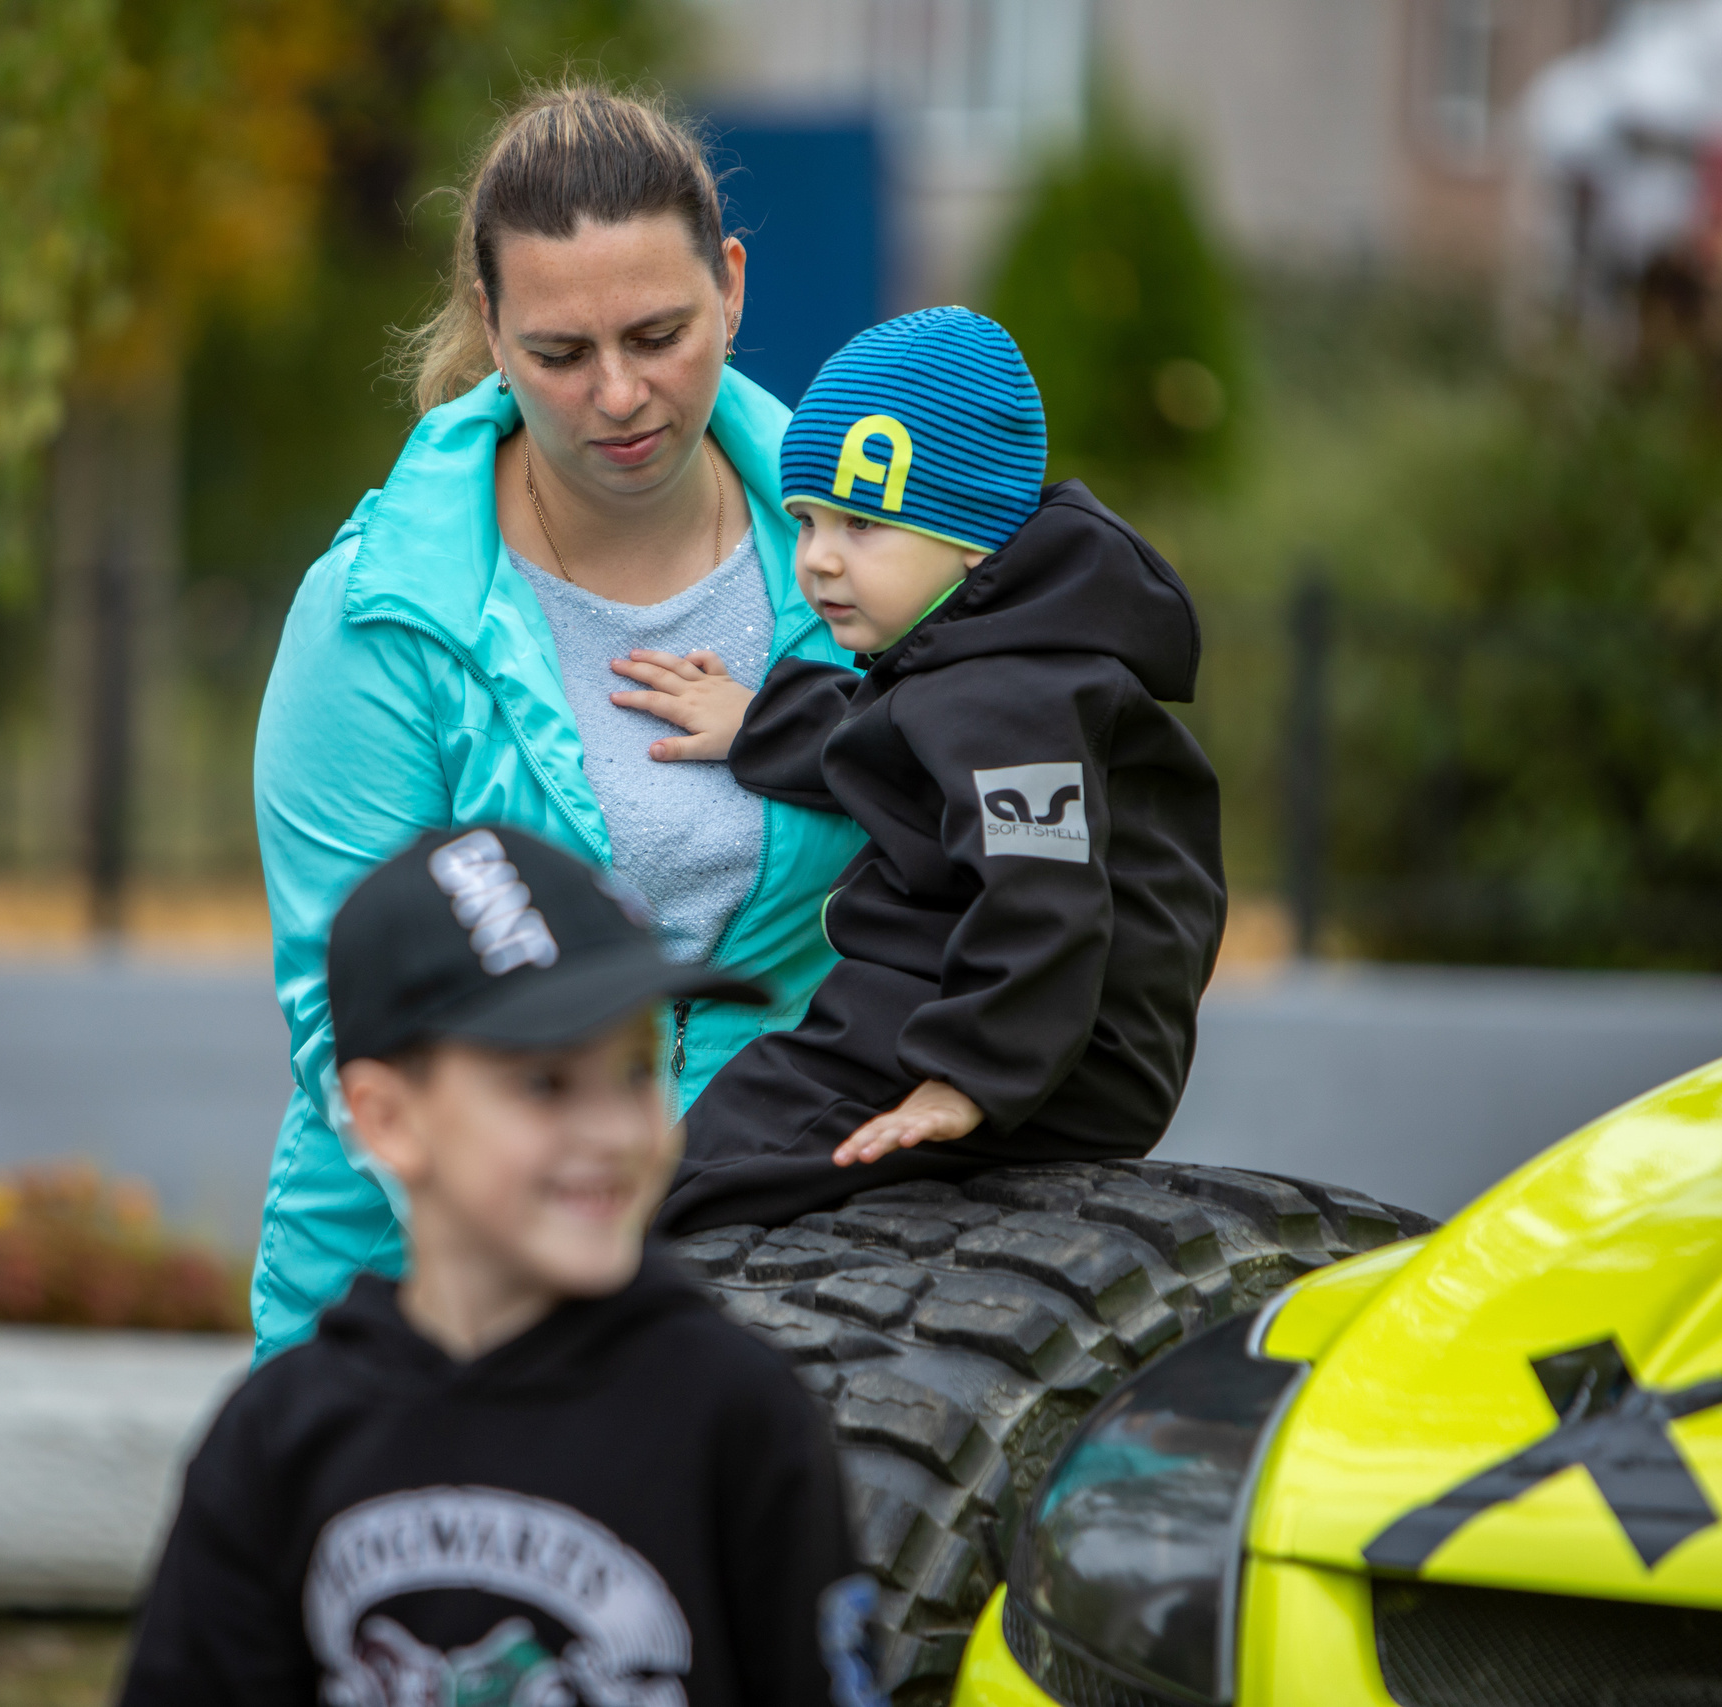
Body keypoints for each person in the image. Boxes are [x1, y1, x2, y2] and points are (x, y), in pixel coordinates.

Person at [249, 82, 864, 1361]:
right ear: (490, 324)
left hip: (795, 1263)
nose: (622, 394)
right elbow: (349, 1027)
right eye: (561, 355)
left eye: (659, 333)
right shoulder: (382, 612)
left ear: (733, 285)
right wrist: (589, 1207)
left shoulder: (864, 565)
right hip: (433, 1285)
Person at [120, 825, 879, 1707]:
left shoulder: (739, 1417)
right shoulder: (281, 1439)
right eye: (546, 1083)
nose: (613, 1132)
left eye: (635, 1070)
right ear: (390, 1119)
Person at [646, 308, 1228, 1235]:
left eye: (864, 524)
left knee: (694, 1178)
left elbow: (1046, 894)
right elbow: (894, 741)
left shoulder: (1016, 695)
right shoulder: (990, 656)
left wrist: (968, 1076)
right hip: (982, 1010)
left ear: (972, 538)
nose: (820, 559)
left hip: (1042, 1046)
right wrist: (757, 721)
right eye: (806, 522)